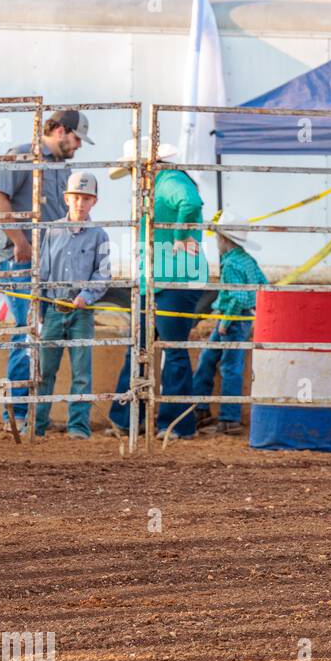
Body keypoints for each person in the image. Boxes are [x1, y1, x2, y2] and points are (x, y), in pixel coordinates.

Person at [0, 109, 92, 433]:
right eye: (76, 139)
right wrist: (20, 242)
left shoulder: (63, 167)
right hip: (20, 260)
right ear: (60, 130)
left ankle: (31, 412)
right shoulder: (23, 155)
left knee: (36, 333)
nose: (77, 146)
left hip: (47, 264)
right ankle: (18, 412)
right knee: (28, 330)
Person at [106, 137, 206, 440]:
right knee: (145, 349)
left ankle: (167, 423)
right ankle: (139, 420)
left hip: (172, 279)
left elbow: (190, 202)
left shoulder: (169, 179)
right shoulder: (161, 183)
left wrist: (177, 235)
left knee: (164, 350)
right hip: (157, 280)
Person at [32, 171, 112, 439]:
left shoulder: (99, 236)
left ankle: (78, 427)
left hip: (81, 310)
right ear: (67, 198)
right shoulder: (52, 230)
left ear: (95, 202)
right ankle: (37, 425)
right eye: (76, 197)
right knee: (45, 370)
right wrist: (40, 306)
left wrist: (86, 296)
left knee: (82, 372)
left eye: (86, 198)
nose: (80, 203)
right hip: (54, 306)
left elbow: (103, 274)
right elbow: (42, 271)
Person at [192, 212, 268, 437]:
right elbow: (263, 285)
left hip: (232, 319)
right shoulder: (246, 259)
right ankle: (204, 410)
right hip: (240, 319)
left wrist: (225, 321)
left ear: (224, 239)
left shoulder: (231, 264)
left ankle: (227, 417)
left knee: (227, 366)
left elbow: (238, 298)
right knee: (213, 361)